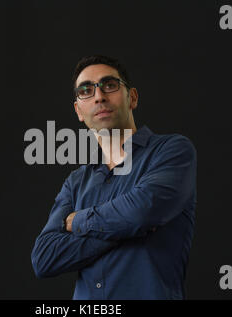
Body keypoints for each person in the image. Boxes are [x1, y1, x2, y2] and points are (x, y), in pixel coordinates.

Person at [31, 55, 197, 299]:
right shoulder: (76, 182)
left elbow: (143, 211)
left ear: (133, 98)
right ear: (78, 111)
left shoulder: (172, 151)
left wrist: (79, 222)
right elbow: (44, 258)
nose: (99, 96)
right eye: (86, 91)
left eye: (109, 85)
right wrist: (131, 227)